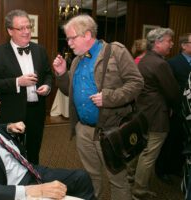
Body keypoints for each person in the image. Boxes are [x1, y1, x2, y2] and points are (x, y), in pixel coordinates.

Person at [52, 14, 144, 200]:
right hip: (84, 131)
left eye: (72, 37)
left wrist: (109, 98)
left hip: (110, 131)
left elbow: (136, 82)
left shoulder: (115, 51)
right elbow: (70, 92)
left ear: (87, 35)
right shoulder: (77, 60)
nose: (68, 42)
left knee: (117, 179)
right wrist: (62, 74)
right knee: (91, 177)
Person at [0, 85, 96, 200]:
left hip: (29, 170)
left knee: (81, 178)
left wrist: (9, 126)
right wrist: (32, 190)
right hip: (16, 187)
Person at [0, 9, 52, 165]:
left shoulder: (40, 50)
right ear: (10, 31)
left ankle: (34, 177)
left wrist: (47, 86)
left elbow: (48, 74)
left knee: (35, 148)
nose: (26, 31)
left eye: (28, 27)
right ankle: (16, 184)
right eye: (21, 28)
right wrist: (17, 82)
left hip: (37, 109)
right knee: (12, 150)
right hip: (11, 111)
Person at [132, 28, 180, 200]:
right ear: (158, 42)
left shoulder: (144, 60)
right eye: (169, 40)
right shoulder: (160, 63)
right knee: (148, 155)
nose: (172, 44)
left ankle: (132, 181)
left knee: (140, 151)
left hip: (143, 113)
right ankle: (139, 191)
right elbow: (173, 92)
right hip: (157, 116)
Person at [155, 33, 191, 183]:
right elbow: (166, 88)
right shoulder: (172, 63)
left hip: (189, 111)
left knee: (183, 140)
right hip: (175, 109)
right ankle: (162, 170)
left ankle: (176, 168)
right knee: (169, 141)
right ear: (183, 45)